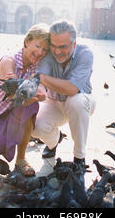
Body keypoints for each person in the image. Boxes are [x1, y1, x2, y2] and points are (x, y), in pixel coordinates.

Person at [0, 23, 49, 177]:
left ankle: (21, 159)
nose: (40, 52)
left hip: (9, 115)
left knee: (31, 105)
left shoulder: (36, 70)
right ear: (27, 41)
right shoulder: (8, 60)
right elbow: (9, 78)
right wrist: (17, 87)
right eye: (38, 46)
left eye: (45, 50)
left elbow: (40, 88)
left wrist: (39, 94)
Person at [31, 19, 96, 166]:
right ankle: (54, 141)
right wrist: (40, 87)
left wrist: (42, 78)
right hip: (54, 103)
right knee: (34, 126)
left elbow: (72, 89)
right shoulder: (48, 54)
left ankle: (79, 158)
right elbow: (39, 82)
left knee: (76, 101)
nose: (57, 51)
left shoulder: (85, 54)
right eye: (53, 45)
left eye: (63, 47)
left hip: (83, 101)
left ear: (74, 43)